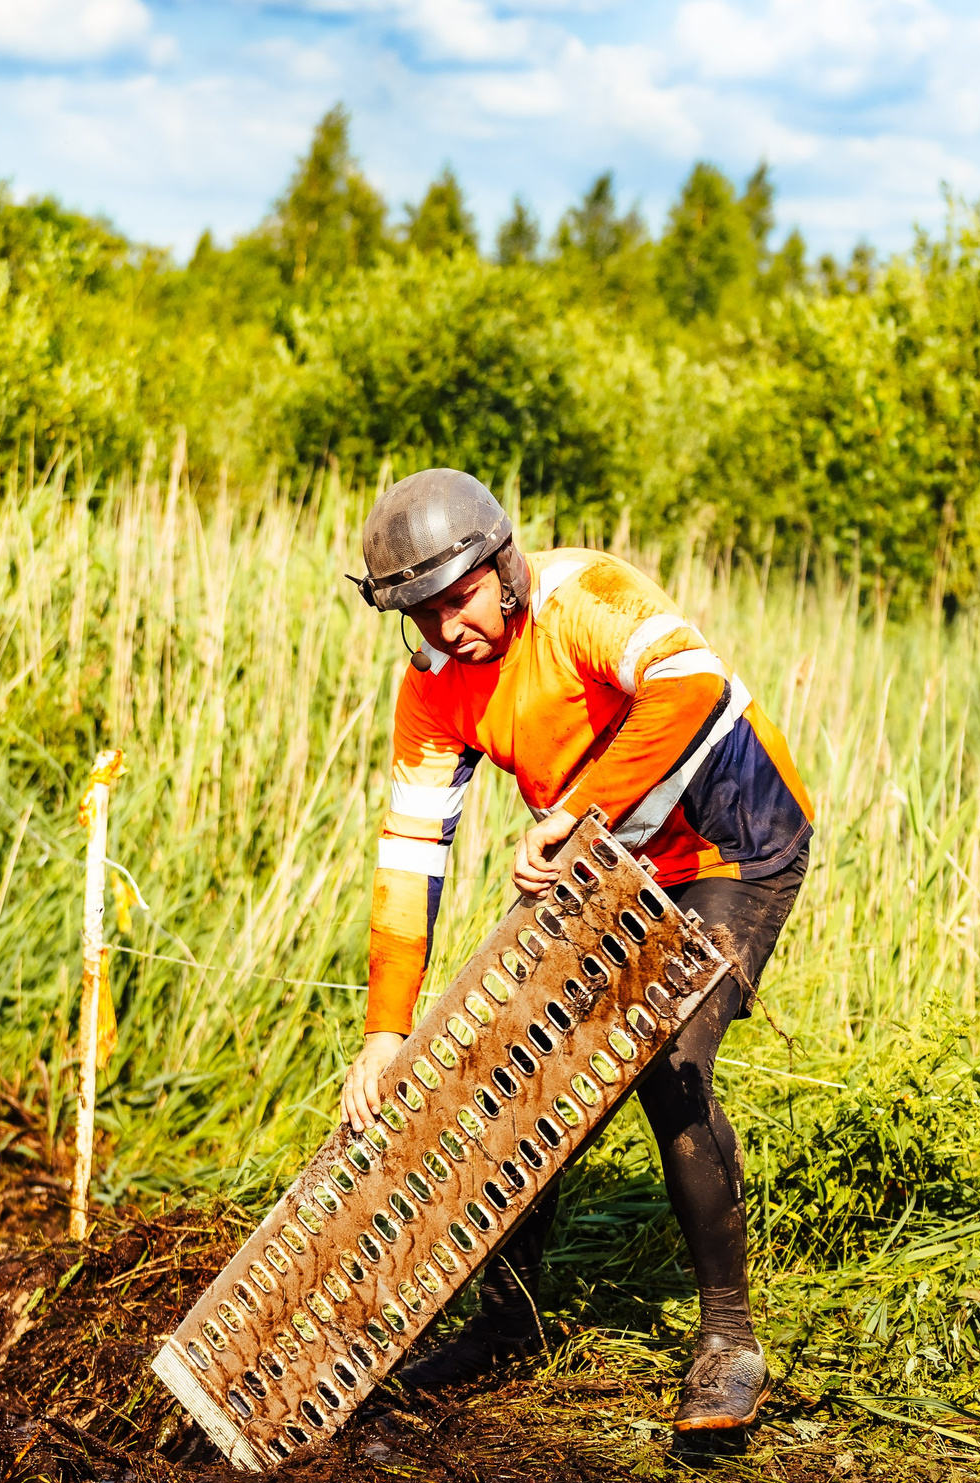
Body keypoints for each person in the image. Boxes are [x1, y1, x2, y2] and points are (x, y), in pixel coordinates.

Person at [339, 469, 813, 1431]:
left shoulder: (585, 595)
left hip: (734, 840)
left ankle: (730, 1341)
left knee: (667, 1057)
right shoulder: (434, 683)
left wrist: (576, 814)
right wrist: (386, 1029)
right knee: (527, 1065)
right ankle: (508, 1325)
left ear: (502, 563)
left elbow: (695, 684)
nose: (446, 631)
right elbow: (409, 847)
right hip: (605, 855)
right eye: (420, 616)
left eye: (458, 600)